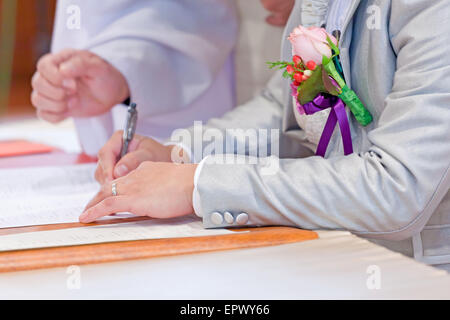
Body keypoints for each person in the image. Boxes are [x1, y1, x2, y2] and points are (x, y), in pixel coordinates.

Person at [80, 0, 450, 271]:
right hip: (333, 251)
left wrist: (198, 184)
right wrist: (178, 153)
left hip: (417, 274)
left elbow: (397, 188)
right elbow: (282, 108)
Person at [31, 0, 238, 155]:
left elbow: (197, 17)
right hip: (95, 135)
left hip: (180, 128)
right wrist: (60, 82)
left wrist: (121, 70)